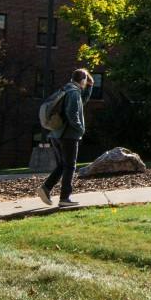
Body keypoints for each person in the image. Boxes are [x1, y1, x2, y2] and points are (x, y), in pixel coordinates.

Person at [39, 69, 98, 206]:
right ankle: (64, 198)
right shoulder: (74, 93)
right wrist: (81, 129)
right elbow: (72, 114)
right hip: (68, 135)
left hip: (55, 134)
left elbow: (80, 103)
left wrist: (90, 86)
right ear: (82, 80)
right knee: (70, 166)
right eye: (86, 81)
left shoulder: (66, 89)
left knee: (62, 165)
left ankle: (46, 188)